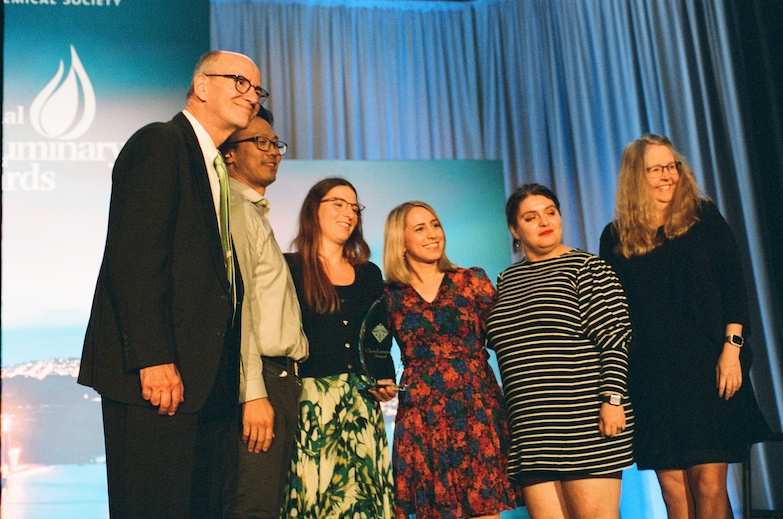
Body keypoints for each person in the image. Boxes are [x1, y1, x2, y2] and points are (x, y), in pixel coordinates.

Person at [78, 51, 264, 518]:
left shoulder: (214, 165)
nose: (251, 97)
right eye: (239, 82)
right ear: (201, 85)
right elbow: (136, 259)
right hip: (160, 381)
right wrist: (154, 358)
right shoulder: (160, 143)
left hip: (206, 384)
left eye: (257, 90)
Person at [599, 134, 771, 519]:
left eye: (672, 165)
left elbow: (734, 287)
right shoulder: (615, 237)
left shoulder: (703, 217)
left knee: (708, 486)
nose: (668, 175)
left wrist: (732, 351)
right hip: (652, 379)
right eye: (656, 169)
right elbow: (615, 312)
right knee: (674, 493)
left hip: (708, 369)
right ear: (635, 177)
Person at [486, 184, 634, 519]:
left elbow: (615, 337)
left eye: (550, 212)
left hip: (584, 422)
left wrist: (612, 398)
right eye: (531, 216)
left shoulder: (587, 268)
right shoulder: (506, 279)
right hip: (531, 431)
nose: (544, 221)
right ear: (514, 229)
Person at [383, 201, 518, 519]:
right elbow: (371, 351)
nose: (432, 234)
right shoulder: (389, 295)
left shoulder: (472, 280)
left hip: (475, 408)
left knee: (483, 508)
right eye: (420, 228)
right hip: (423, 415)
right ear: (399, 241)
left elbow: (507, 340)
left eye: (435, 224)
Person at [283, 177, 396, 518]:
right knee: (314, 499)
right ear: (313, 210)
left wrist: (385, 375)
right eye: (338, 203)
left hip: (362, 402)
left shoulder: (369, 274)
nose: (348, 213)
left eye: (354, 207)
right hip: (311, 404)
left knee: (365, 501)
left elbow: (379, 332)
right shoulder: (289, 267)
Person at [219, 106, 309, 518]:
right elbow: (240, 312)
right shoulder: (237, 211)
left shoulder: (255, 213)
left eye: (275, 144)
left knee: (267, 504)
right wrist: (253, 392)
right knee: (252, 505)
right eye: (260, 142)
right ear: (230, 153)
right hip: (263, 381)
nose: (272, 151)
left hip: (280, 380)